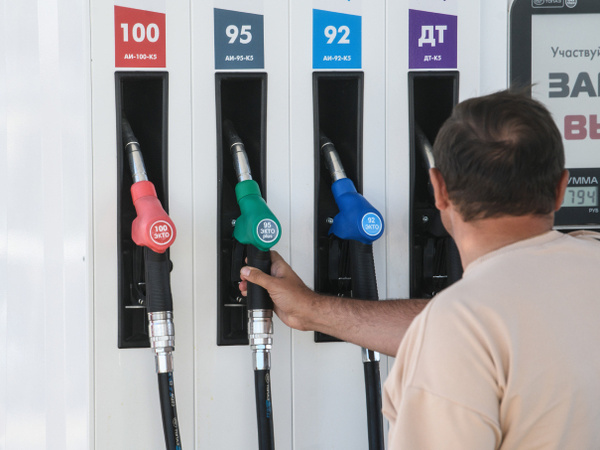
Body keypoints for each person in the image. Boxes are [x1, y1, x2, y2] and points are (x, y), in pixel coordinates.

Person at [239, 89, 600, 448]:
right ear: (561, 188)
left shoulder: (457, 333)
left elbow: (469, 333)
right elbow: (499, 327)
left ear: (439, 190)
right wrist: (311, 310)